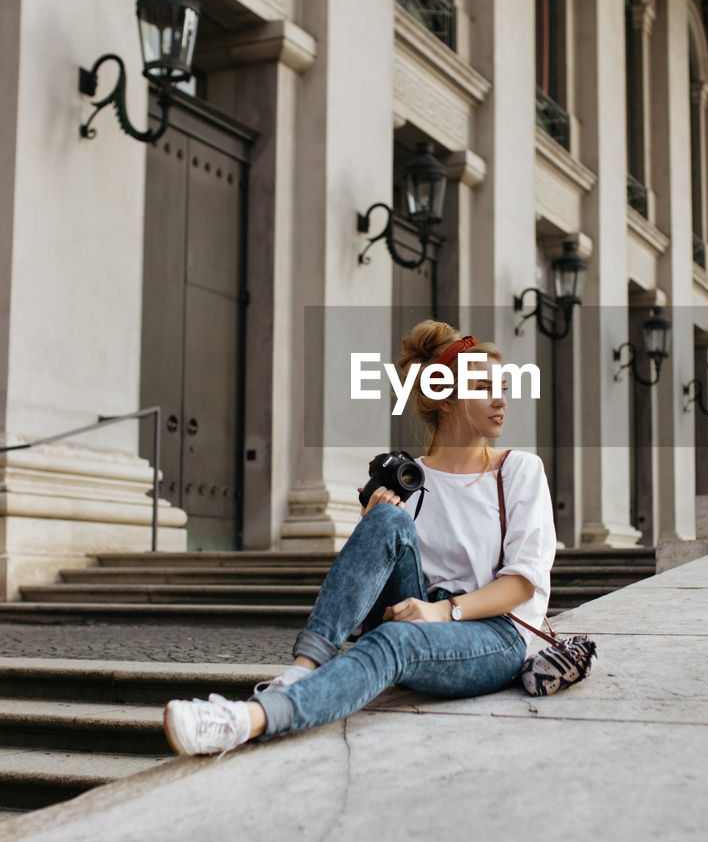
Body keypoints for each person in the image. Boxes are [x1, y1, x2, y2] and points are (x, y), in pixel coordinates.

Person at [163, 319, 557, 757]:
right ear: (445, 399)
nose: (500, 398)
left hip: (493, 633)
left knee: (392, 641)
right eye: (483, 386)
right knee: (387, 520)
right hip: (419, 611)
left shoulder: (518, 470)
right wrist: (374, 521)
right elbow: (384, 578)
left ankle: (247, 720)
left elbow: (523, 582)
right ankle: (301, 669)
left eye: (502, 385)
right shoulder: (412, 478)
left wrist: (443, 611)